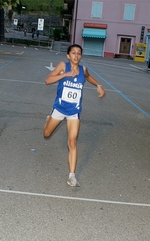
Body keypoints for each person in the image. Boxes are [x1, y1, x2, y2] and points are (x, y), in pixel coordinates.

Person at [43, 44, 105, 187]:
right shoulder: (63, 66)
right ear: (68, 56)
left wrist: (98, 85)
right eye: (73, 53)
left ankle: (72, 176)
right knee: (46, 134)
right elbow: (47, 80)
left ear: (81, 56)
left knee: (72, 142)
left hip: (74, 112)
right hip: (59, 108)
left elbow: (89, 77)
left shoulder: (83, 69)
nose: (76, 56)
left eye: (78, 53)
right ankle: (48, 120)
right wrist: (64, 75)